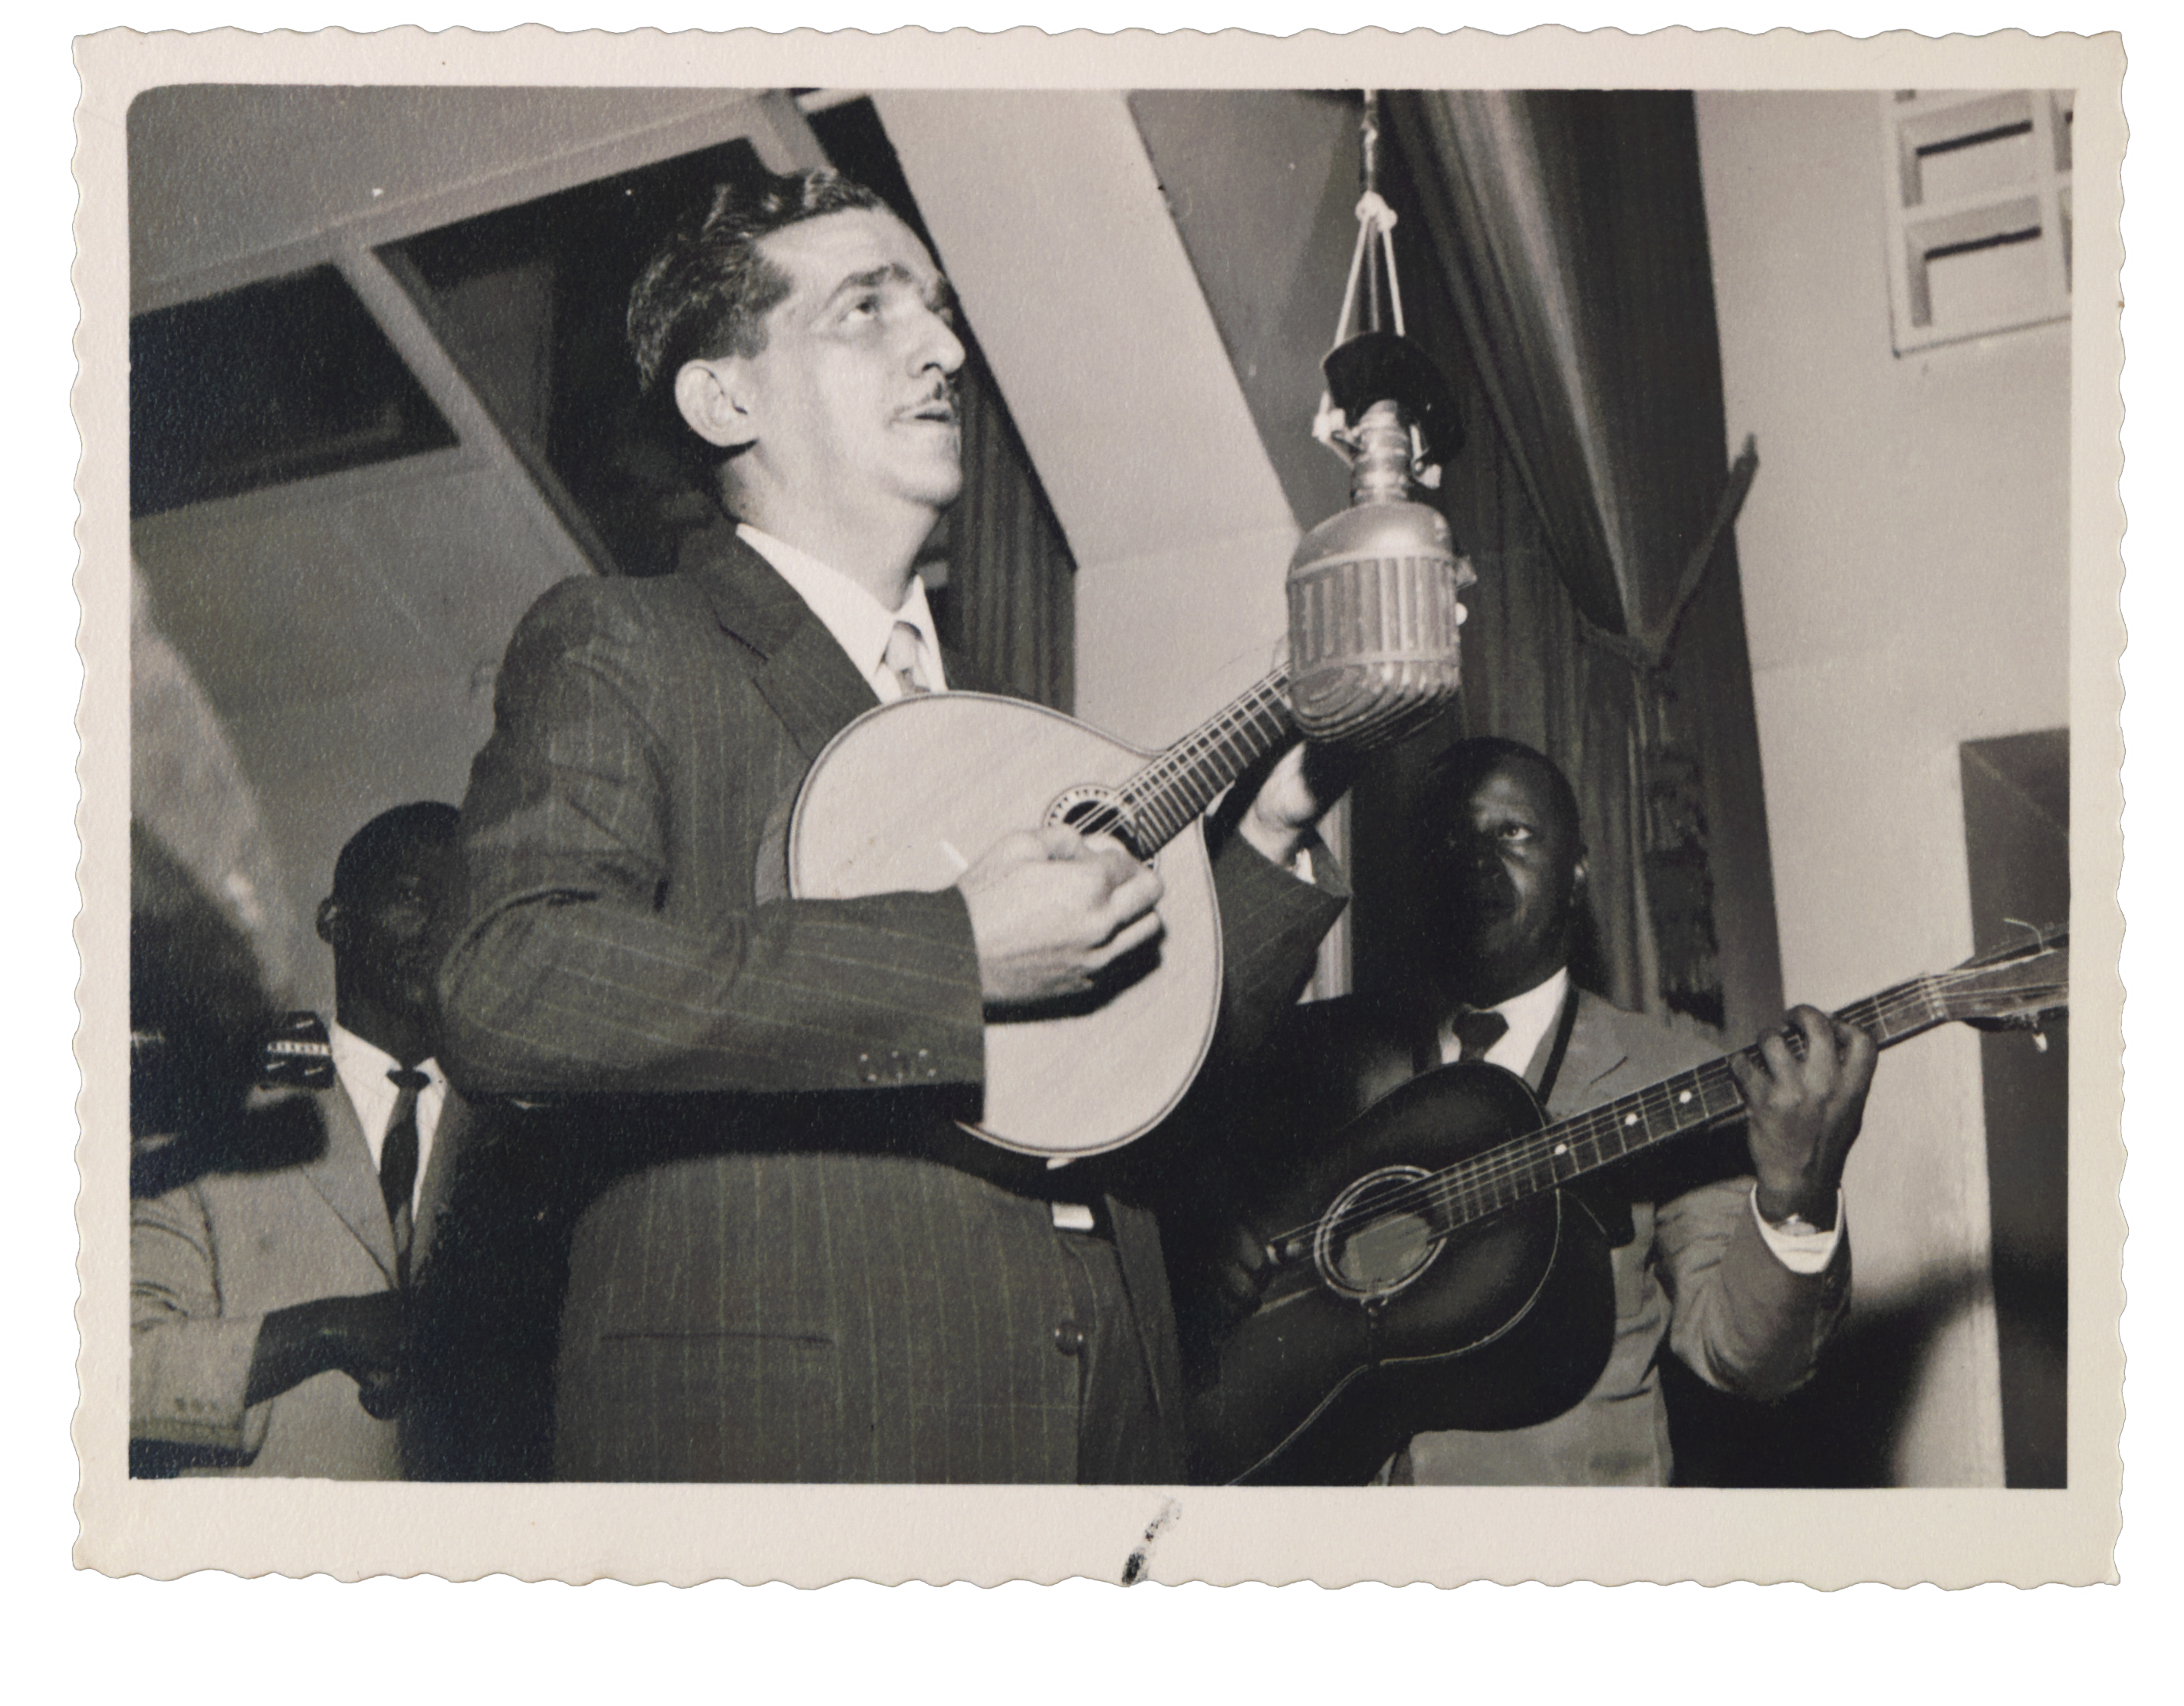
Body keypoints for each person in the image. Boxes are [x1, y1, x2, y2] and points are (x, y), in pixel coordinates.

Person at [436, 168, 1347, 1484]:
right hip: (807, 1448)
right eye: (868, 309)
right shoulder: (621, 645)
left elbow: (1138, 1081)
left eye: (939, 310)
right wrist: (950, 958)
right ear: (723, 396)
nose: (946, 347)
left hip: (1113, 1444)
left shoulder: (998, 730)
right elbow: (507, 981)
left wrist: (1269, 828)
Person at [1192, 738, 1872, 1486]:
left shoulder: (1667, 1073)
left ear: (1576, 871)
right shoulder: (1323, 1052)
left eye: (1514, 833)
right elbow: (1197, 1191)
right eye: (1453, 837)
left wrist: (1798, 1192)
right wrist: (1211, 1246)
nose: (1477, 859)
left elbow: (1741, 1355)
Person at [131, 802, 469, 1478]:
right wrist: (327, 1330)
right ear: (333, 918)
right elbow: (111, 1369)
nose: (441, 930)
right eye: (409, 897)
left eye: (469, 907)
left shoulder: (523, 1126)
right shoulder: (220, 1110)